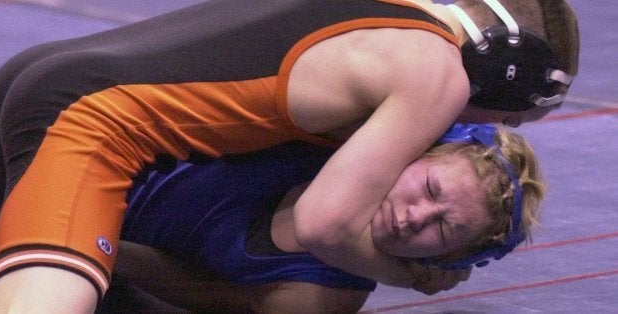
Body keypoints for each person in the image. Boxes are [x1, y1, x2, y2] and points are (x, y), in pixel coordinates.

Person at [0, 0, 577, 312]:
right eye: (507, 116)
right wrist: (414, 274)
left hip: (47, 70)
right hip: (92, 121)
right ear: (508, 72)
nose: (472, 125)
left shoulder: (388, 14)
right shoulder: (437, 74)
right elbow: (325, 223)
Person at [96, 122, 545, 313]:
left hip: (95, 249)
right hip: (97, 153)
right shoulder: (335, 129)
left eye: (443, 229)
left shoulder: (327, 294)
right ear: (418, 150)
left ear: (450, 259)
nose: (415, 218)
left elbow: (192, 292)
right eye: (429, 189)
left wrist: (98, 244)